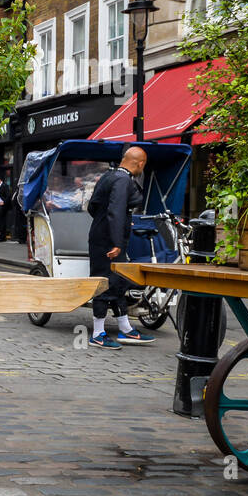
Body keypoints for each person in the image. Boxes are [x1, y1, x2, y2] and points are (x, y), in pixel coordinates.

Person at [86, 146, 156, 349]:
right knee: (103, 283)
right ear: (140, 164)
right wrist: (116, 241)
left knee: (118, 283)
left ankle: (126, 329)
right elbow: (115, 212)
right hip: (109, 242)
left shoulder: (108, 175)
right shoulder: (123, 180)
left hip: (102, 236)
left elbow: (93, 206)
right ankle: (98, 334)